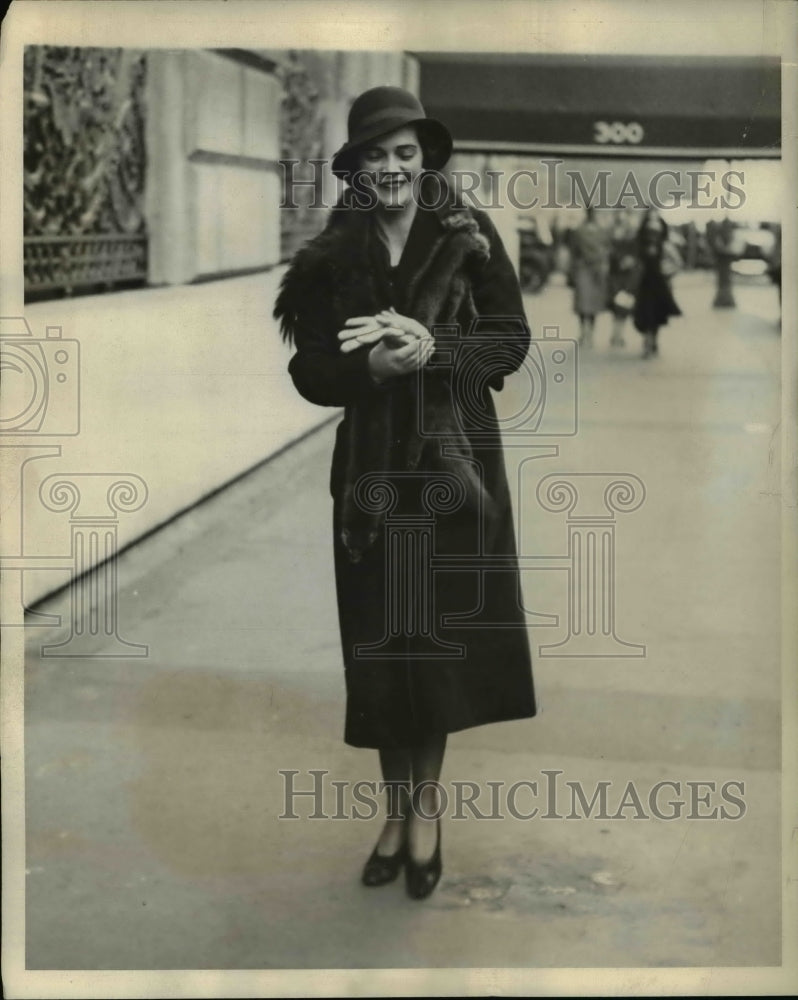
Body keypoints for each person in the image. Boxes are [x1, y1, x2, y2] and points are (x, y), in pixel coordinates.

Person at [274, 86, 536, 900]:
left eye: (405, 153)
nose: (392, 168)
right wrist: (366, 371)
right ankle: (394, 814)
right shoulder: (330, 254)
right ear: (354, 167)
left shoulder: (467, 234)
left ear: (423, 159)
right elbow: (309, 368)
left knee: (437, 655)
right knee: (386, 656)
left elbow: (510, 341)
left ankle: (425, 815)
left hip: (456, 476)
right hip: (372, 485)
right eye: (376, 156)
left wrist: (437, 349)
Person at [633, 208, 682, 359]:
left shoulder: (665, 246)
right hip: (645, 282)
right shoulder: (640, 247)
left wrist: (667, 272)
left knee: (656, 314)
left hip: (659, 283)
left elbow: (677, 263)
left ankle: (652, 341)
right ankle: (648, 341)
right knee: (646, 313)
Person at [569, 205, 610, 348]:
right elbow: (574, 252)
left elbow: (606, 249)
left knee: (592, 304)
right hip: (585, 269)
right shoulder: (580, 231)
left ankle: (589, 333)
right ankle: (584, 332)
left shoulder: (600, 231)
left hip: (594, 270)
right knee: (583, 304)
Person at [607, 208, 639, 348]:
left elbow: (636, 253)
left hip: (626, 276)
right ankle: (616, 335)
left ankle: (618, 335)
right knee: (616, 305)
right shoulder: (613, 233)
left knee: (623, 305)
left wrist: (630, 261)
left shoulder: (631, 234)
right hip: (615, 274)